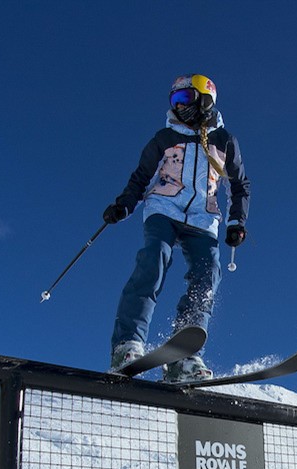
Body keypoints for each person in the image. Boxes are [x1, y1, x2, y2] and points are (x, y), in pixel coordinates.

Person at [102, 74, 250, 382]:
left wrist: (237, 221)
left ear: (205, 101)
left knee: (208, 273)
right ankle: (127, 344)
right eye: (175, 101)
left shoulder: (224, 142)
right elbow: (141, 176)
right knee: (153, 260)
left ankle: (184, 355)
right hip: (164, 209)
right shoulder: (165, 138)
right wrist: (125, 204)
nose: (179, 107)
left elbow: (238, 185)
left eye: (184, 100)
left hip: (202, 218)